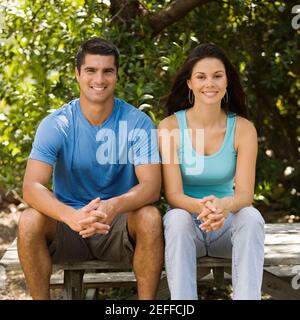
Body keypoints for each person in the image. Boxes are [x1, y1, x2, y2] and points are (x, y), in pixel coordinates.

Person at [18, 38, 163, 300]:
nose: (100, 78)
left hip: (117, 225)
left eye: (107, 70)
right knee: (29, 220)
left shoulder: (137, 122)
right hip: (68, 225)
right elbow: (31, 187)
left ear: (117, 75)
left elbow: (152, 187)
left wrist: (112, 206)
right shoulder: (57, 124)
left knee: (151, 217)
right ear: (77, 74)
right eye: (91, 70)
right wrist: (70, 216)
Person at [158, 43, 265, 300]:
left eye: (217, 76)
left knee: (251, 217)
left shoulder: (243, 128)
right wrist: (205, 209)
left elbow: (245, 195)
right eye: (201, 77)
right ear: (190, 84)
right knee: (175, 218)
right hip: (187, 232)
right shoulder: (169, 127)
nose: (210, 83)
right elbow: (173, 195)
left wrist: (223, 207)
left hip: (226, 227)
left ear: (227, 81)